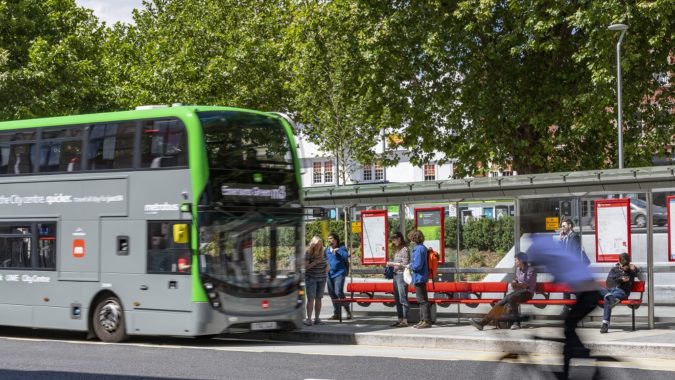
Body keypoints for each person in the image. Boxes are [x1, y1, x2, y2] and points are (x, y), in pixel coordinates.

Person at [526, 233, 601, 377]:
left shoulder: (538, 245)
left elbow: (533, 262)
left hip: (588, 294)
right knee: (568, 329)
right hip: (591, 292)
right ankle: (573, 360)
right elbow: (559, 267)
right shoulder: (553, 246)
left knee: (568, 327)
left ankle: (580, 354)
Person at [469, 252, 537, 331]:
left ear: (521, 260)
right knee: (501, 302)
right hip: (518, 293)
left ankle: (516, 323)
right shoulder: (518, 269)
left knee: (510, 298)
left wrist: (516, 284)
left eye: (516, 260)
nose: (515, 262)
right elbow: (517, 281)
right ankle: (482, 323)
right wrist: (515, 281)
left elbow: (526, 285)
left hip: (527, 293)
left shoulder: (531, 270)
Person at [600, 253, 640, 333]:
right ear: (619, 262)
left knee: (607, 298)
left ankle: (605, 324)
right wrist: (620, 280)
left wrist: (635, 269)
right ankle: (612, 298)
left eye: (626, 264)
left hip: (621, 292)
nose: (624, 266)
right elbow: (608, 283)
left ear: (629, 262)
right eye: (622, 264)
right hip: (610, 290)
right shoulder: (614, 269)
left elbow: (639, 274)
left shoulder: (631, 271)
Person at [407, 229, 431, 329]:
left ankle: (426, 320)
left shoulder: (419, 249)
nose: (410, 240)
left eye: (411, 238)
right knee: (421, 299)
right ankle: (422, 320)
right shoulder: (422, 248)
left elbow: (417, 265)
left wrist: (410, 266)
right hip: (421, 277)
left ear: (414, 238)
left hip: (419, 277)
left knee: (422, 300)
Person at [386, 232, 410, 327]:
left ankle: (405, 320)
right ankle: (400, 319)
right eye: (392, 239)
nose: (393, 241)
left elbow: (405, 264)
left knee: (402, 298)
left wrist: (392, 264)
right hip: (395, 275)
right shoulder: (396, 249)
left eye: (394, 239)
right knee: (397, 299)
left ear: (399, 238)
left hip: (401, 275)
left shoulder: (404, 249)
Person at [325, 232, 351, 320]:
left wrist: (338, 251)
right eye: (328, 239)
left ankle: (347, 310)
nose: (330, 240)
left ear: (336, 240)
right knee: (332, 294)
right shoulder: (327, 250)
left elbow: (346, 256)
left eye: (331, 238)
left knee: (338, 292)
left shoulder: (342, 248)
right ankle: (337, 313)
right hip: (329, 274)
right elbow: (325, 259)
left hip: (339, 273)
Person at [304, 236, 328, 326]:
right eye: (316, 244)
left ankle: (317, 318)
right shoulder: (308, 253)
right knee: (311, 299)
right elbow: (306, 267)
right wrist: (315, 262)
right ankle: (309, 319)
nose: (318, 246)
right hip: (311, 278)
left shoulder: (323, 252)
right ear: (312, 244)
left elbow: (326, 263)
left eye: (320, 244)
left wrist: (327, 266)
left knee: (319, 298)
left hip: (322, 278)